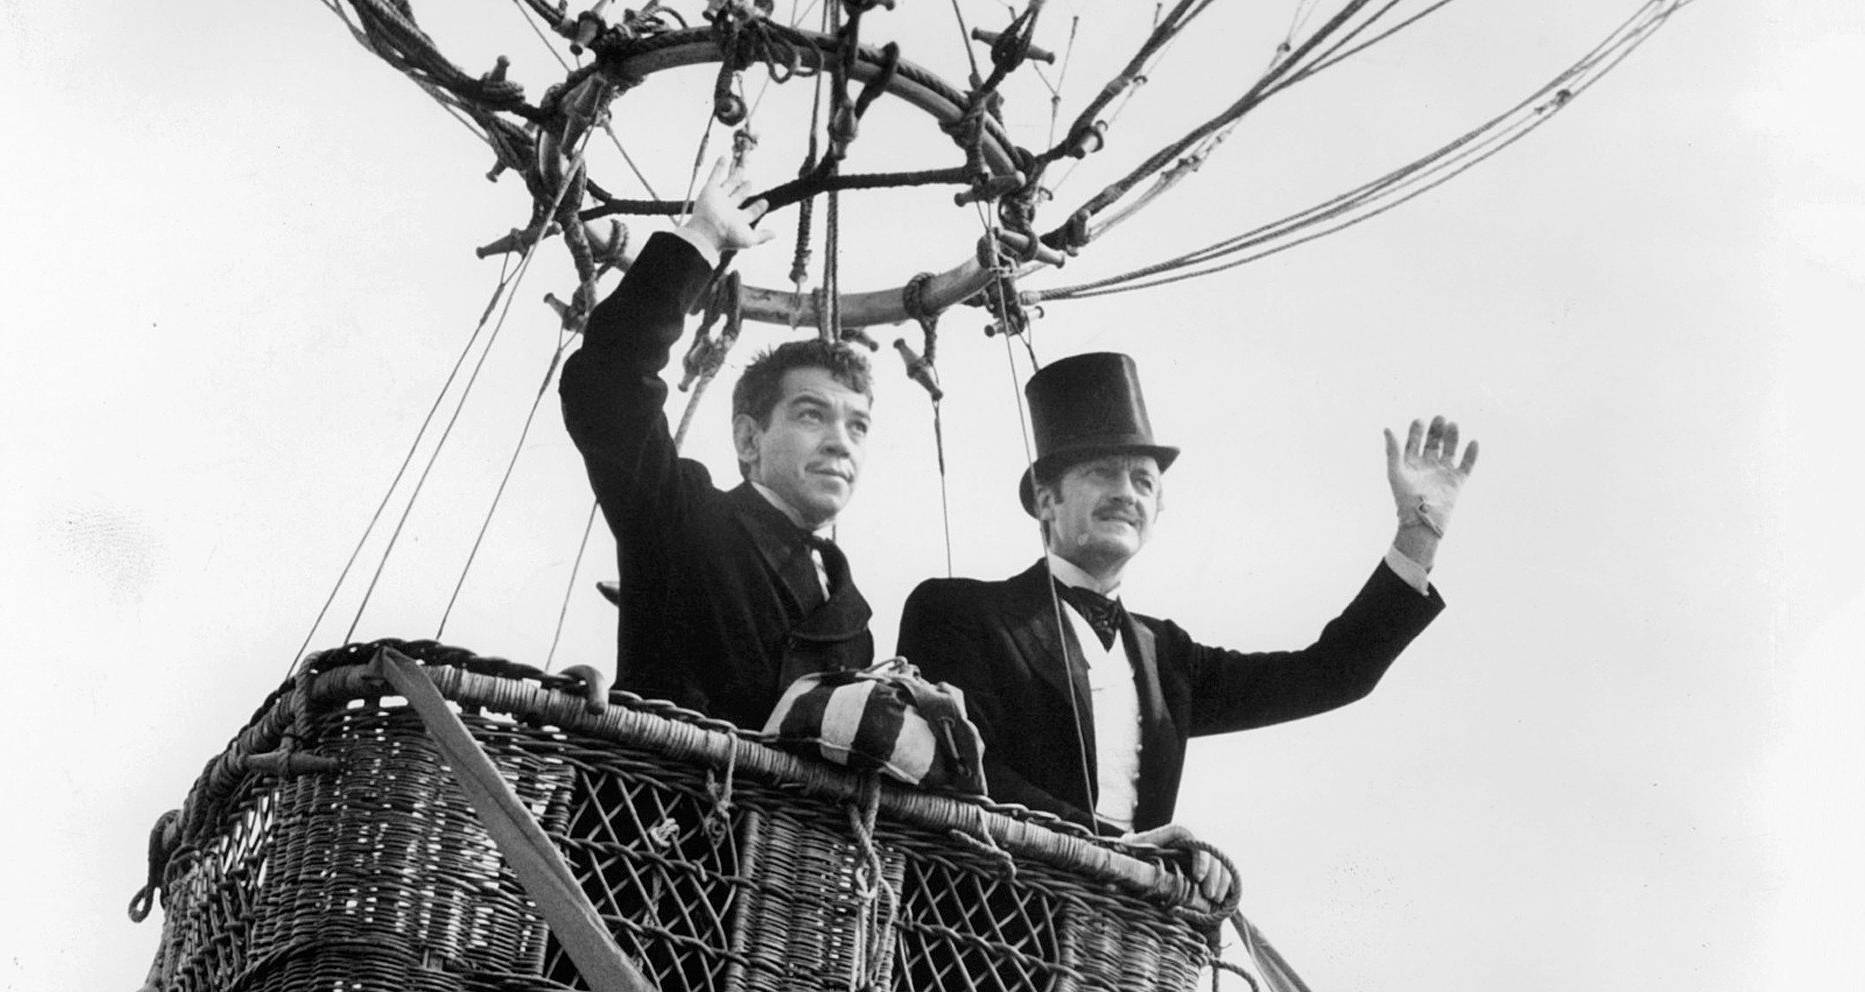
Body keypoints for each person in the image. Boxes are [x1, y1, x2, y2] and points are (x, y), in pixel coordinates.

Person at [896, 351, 1477, 840]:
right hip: (973, 929)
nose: (1126, 494)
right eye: (1102, 473)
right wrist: (1125, 851)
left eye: (1143, 482)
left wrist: (1417, 534)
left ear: (1158, 510)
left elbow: (1328, 675)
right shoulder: (956, 612)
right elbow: (957, 767)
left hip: (1120, 936)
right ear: (1047, 501)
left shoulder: (1167, 655)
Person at [560, 160, 877, 729]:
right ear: (749, 438)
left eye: (858, 426)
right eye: (812, 415)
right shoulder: (682, 515)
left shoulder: (850, 613)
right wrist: (702, 236)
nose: (841, 444)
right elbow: (607, 382)